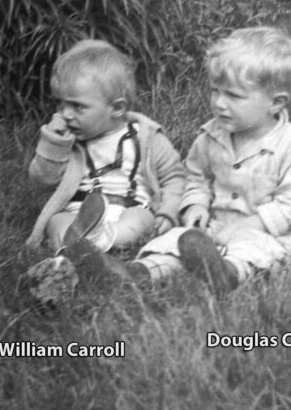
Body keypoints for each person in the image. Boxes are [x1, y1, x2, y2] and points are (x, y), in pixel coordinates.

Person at [129, 27, 291, 293]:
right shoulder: (210, 136)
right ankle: (136, 274)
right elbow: (196, 177)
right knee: (177, 240)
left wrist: (249, 225)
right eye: (215, 91)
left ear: (276, 103)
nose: (219, 103)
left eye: (233, 96)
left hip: (268, 231)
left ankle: (226, 274)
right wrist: (196, 205)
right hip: (216, 226)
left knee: (253, 250)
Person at [26, 40, 185, 268]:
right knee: (56, 222)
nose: (67, 115)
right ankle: (78, 244)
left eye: (78, 107)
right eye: (61, 106)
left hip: (128, 207)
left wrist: (168, 212)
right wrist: (55, 144)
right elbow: (42, 180)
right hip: (78, 212)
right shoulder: (69, 141)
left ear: (117, 108)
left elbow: (174, 178)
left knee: (140, 220)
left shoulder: (146, 138)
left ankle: (94, 243)